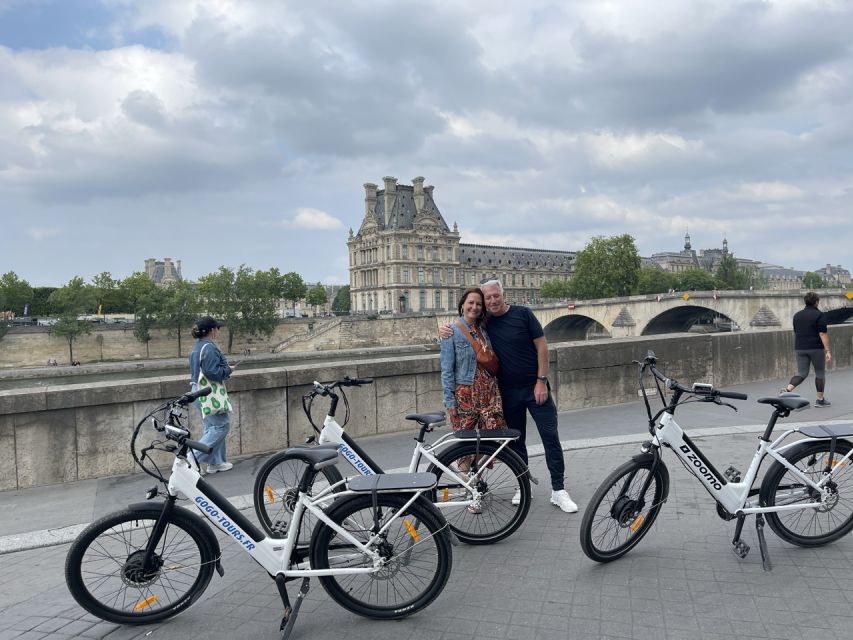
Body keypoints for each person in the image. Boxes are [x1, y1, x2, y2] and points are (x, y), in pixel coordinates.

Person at [440, 279, 577, 513]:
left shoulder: (523, 314)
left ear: (503, 295)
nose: (491, 301)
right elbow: (461, 331)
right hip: (506, 393)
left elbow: (542, 347)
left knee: (550, 437)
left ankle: (558, 490)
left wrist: (541, 381)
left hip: (535, 389)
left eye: (496, 296)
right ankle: (523, 486)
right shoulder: (484, 323)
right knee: (516, 443)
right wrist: (442, 330)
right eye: (487, 298)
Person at [189, 316, 236, 473]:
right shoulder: (208, 347)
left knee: (212, 426)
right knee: (221, 425)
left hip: (197, 389)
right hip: (207, 392)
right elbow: (212, 372)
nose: (218, 331)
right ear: (211, 330)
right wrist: (228, 370)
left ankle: (216, 462)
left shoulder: (198, 346)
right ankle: (192, 459)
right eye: (217, 328)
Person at [782, 291, 831, 407]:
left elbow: (796, 331)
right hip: (815, 348)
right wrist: (827, 350)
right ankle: (820, 400)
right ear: (816, 302)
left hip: (800, 347)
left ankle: (786, 391)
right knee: (819, 373)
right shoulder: (819, 315)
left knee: (802, 373)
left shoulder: (797, 315)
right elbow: (822, 333)